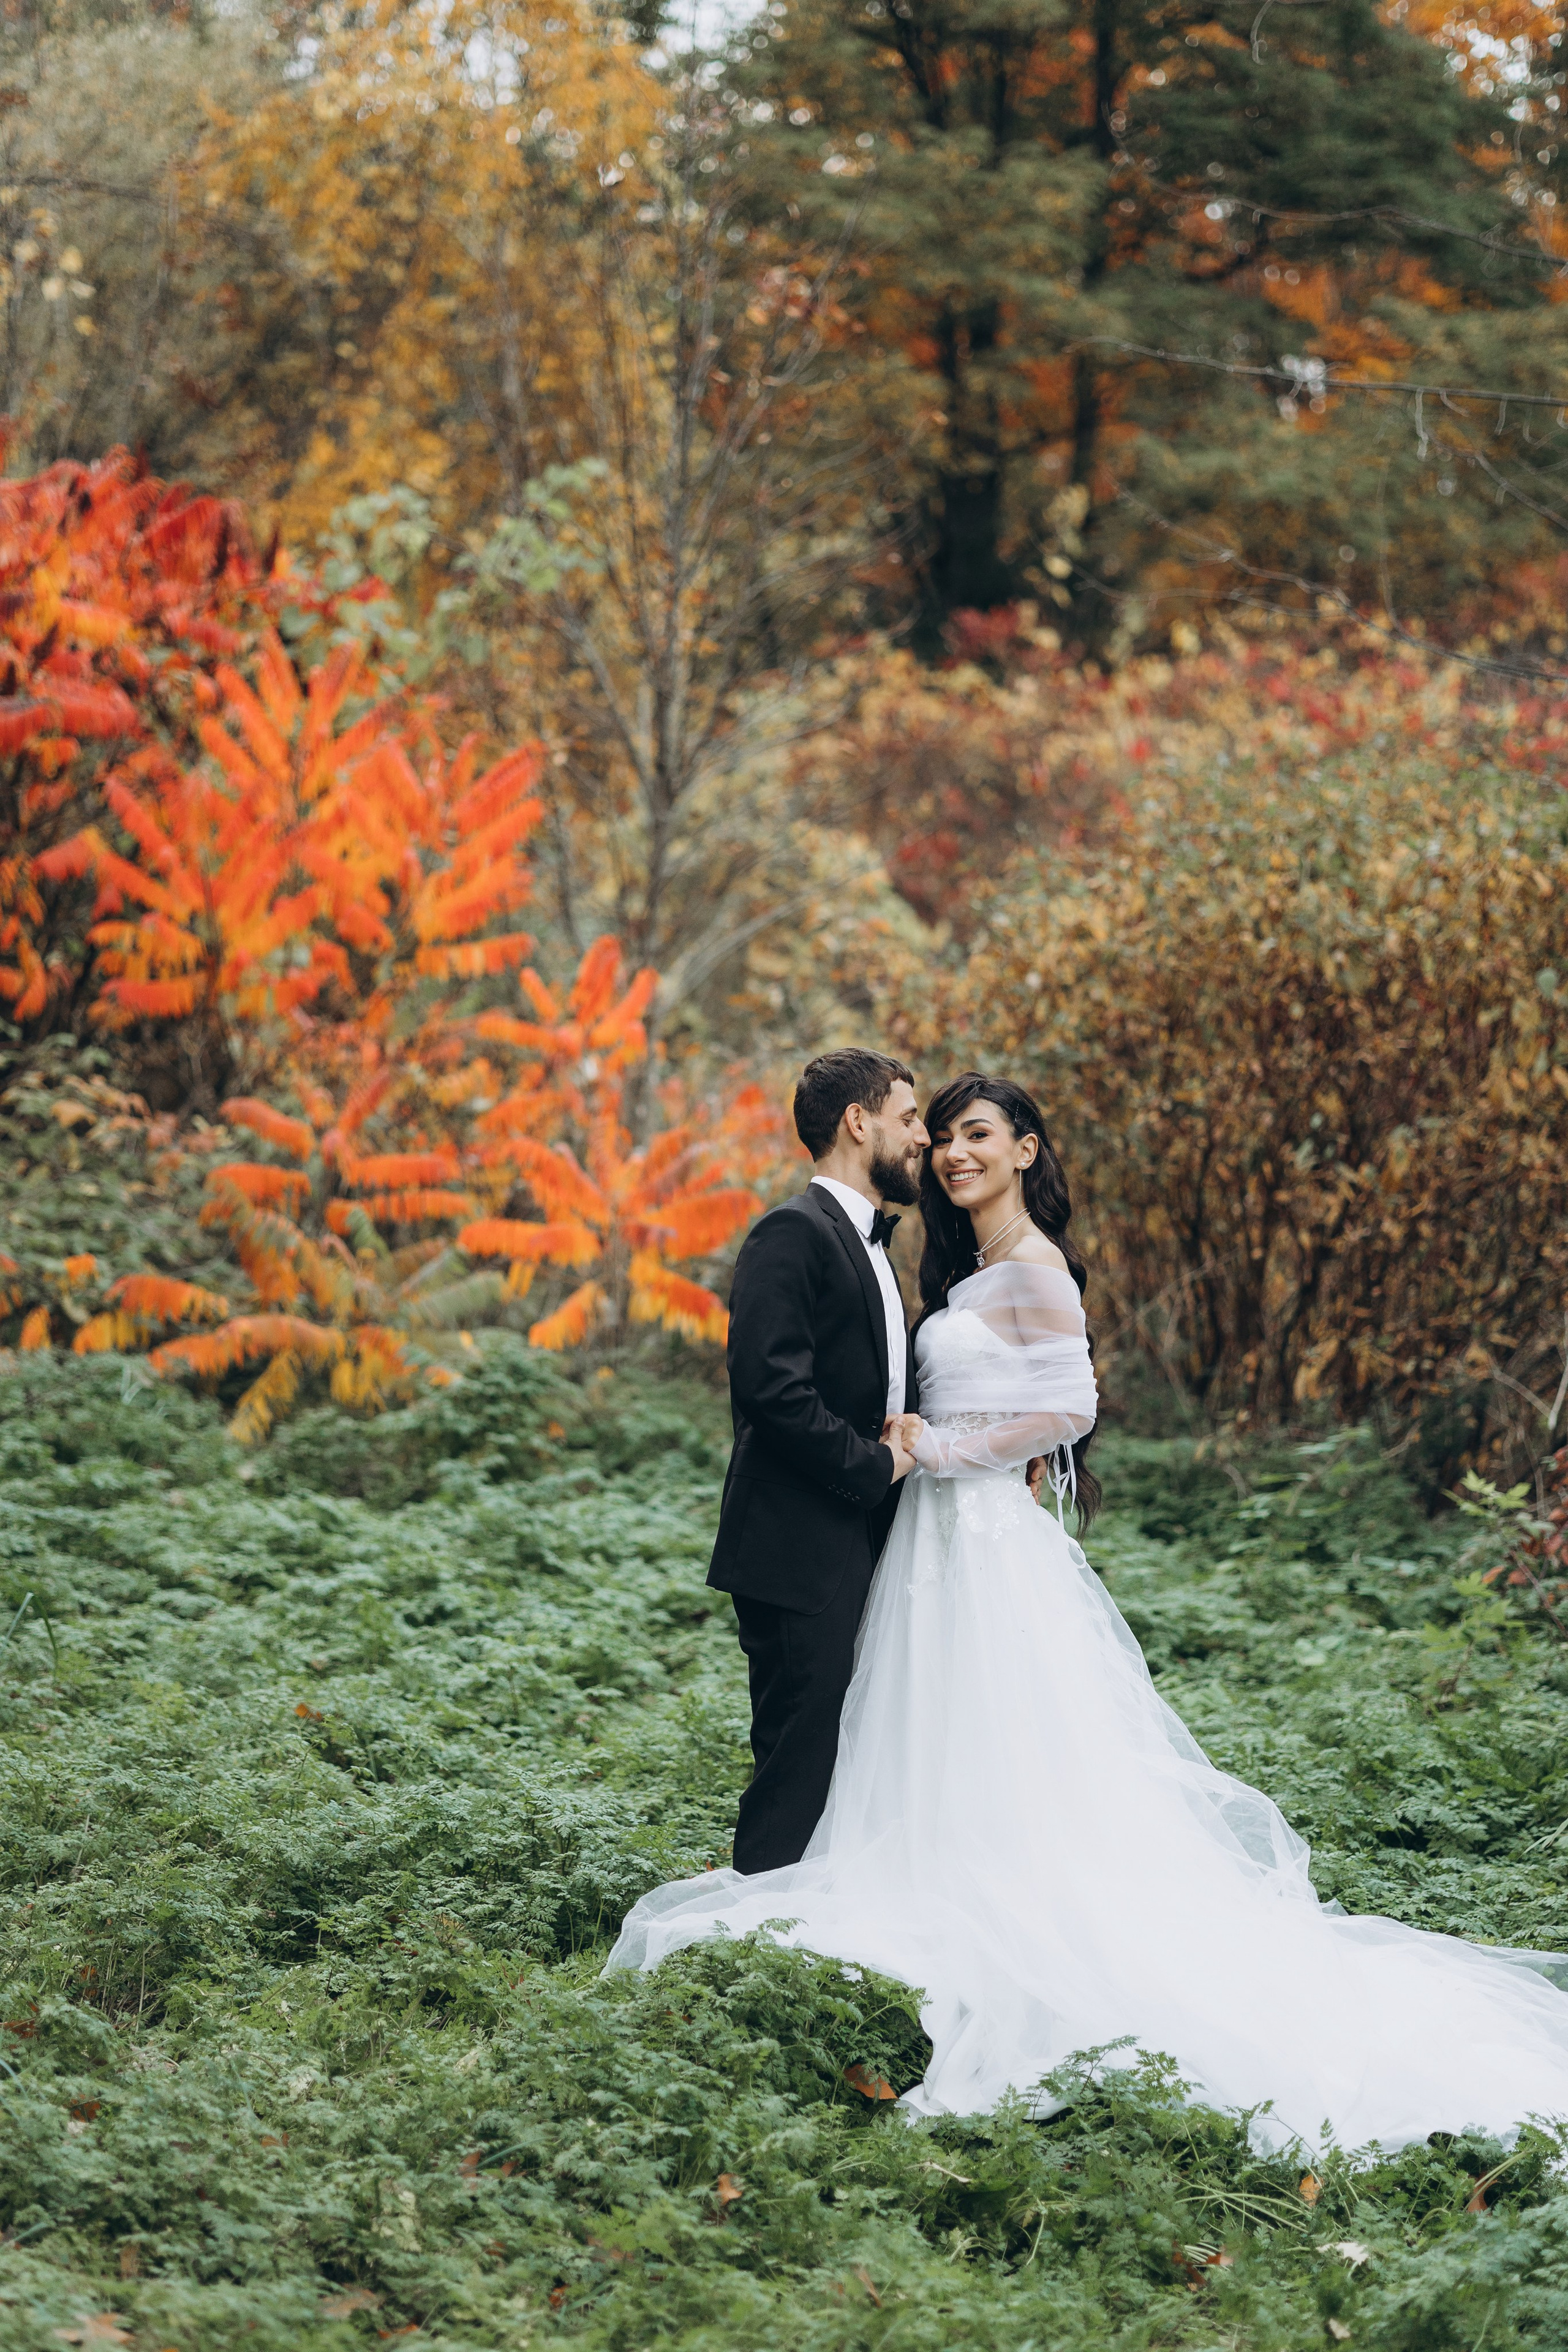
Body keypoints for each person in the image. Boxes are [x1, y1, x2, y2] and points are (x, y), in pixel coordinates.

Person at [609, 1069, 1568, 2155]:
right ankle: (794, 1943)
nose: (943, 1148)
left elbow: (1070, 1407)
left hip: (967, 1537)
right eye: (932, 1127)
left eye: (971, 1133)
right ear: (860, 1123)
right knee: (884, 1737)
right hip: (908, 1541)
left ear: (1027, 1149)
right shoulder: (911, 1261)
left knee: (992, 1741)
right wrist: (908, 1454)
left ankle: (908, 1934)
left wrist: (943, 1455)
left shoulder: (1034, 1268)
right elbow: (821, 1393)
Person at [706, 1047, 927, 1875]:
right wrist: (877, 1464)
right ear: (857, 1121)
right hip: (799, 1555)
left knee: (851, 1762)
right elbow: (772, 1390)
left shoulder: (873, 1246)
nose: (921, 1136)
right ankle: (751, 1948)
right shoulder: (790, 1234)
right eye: (908, 1118)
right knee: (798, 1770)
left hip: (863, 1549)